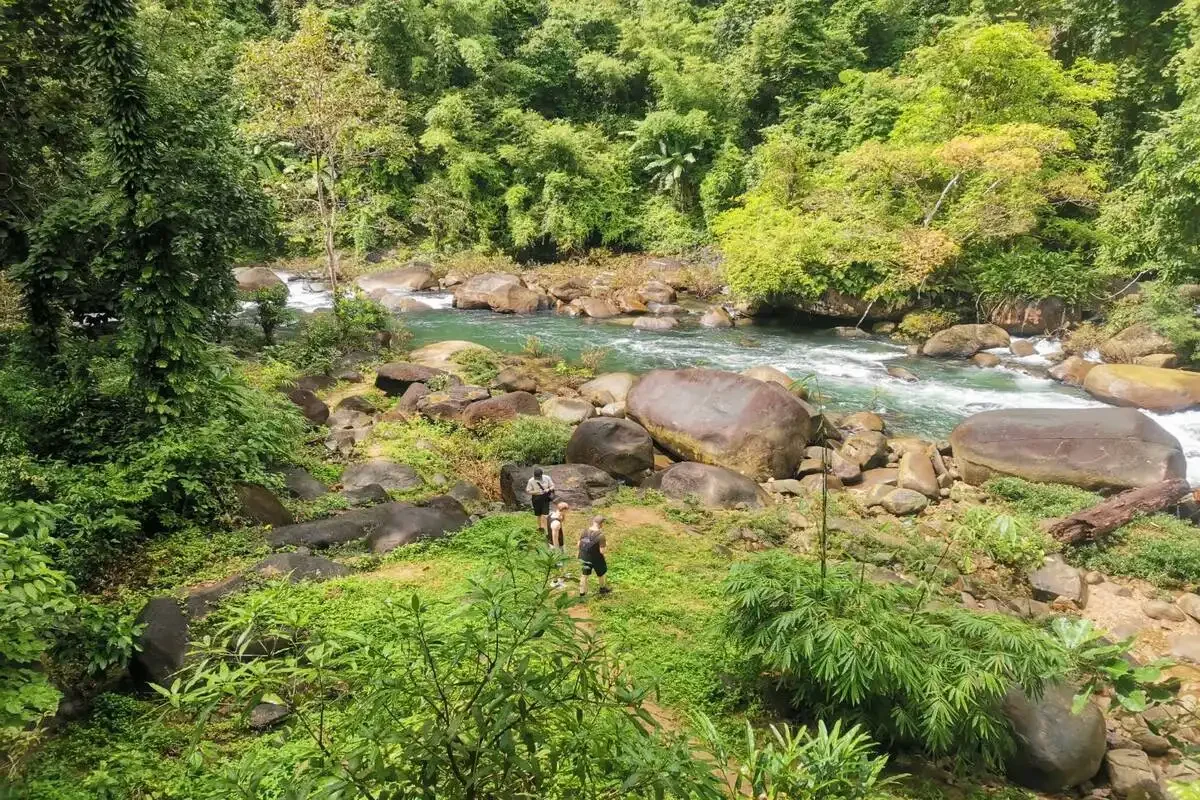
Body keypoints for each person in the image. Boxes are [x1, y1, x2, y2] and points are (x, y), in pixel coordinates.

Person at [578, 515, 610, 597]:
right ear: (601, 524)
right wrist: (606, 545)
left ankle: (582, 594)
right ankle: (602, 589)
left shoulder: (584, 531)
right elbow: (602, 551)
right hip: (596, 558)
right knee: (601, 573)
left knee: (584, 575)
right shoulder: (601, 536)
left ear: (593, 522)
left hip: (584, 557)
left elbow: (578, 544)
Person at [526, 467, 555, 540]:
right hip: (536, 498)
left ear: (542, 475)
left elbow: (552, 486)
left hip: (545, 498)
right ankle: (540, 529)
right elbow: (528, 491)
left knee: (545, 515)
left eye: (539, 477)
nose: (537, 478)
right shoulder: (531, 480)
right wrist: (536, 492)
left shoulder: (547, 478)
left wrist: (548, 489)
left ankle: (547, 530)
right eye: (536, 477)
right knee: (538, 515)